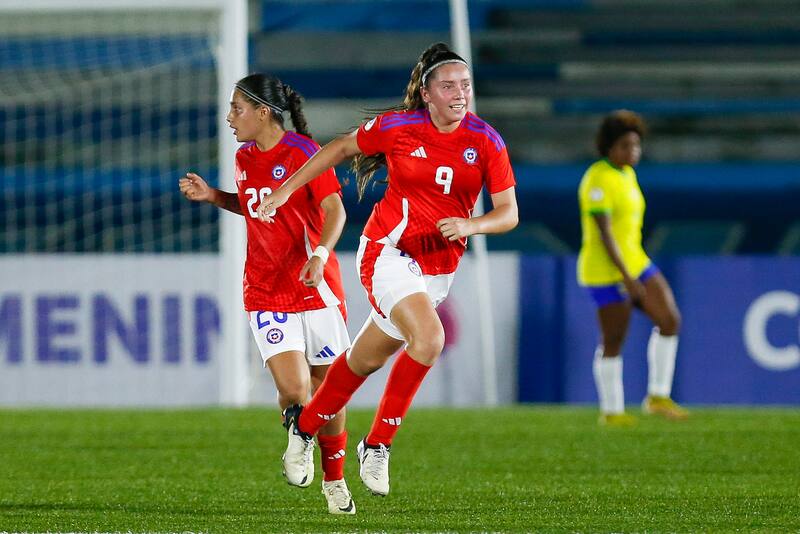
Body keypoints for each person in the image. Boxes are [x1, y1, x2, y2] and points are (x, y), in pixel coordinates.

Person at [256, 42, 518, 496]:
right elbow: (338, 149)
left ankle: (304, 429)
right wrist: (284, 190)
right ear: (427, 93)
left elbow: (509, 213)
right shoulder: (399, 127)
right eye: (448, 86)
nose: (460, 94)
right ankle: (376, 445)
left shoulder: (487, 140)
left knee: (362, 361)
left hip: (437, 270)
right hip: (388, 252)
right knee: (430, 338)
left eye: (465, 85)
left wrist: (471, 225)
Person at [178, 74, 355, 514]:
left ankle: (334, 480)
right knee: (295, 390)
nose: (229, 117)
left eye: (236, 108)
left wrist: (318, 253)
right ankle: (299, 434)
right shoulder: (243, 157)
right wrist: (216, 196)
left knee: (327, 390)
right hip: (265, 290)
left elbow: (335, 210)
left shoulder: (303, 155)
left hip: (316, 285)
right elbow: (254, 204)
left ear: (263, 112)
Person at [577, 110, 689, 426]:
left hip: (637, 262)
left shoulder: (627, 174)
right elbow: (605, 232)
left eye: (636, 145)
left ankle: (657, 396)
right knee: (614, 338)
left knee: (669, 320)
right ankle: (611, 411)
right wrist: (626, 277)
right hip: (605, 271)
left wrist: (633, 270)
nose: (633, 152)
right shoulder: (597, 179)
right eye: (626, 145)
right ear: (609, 147)